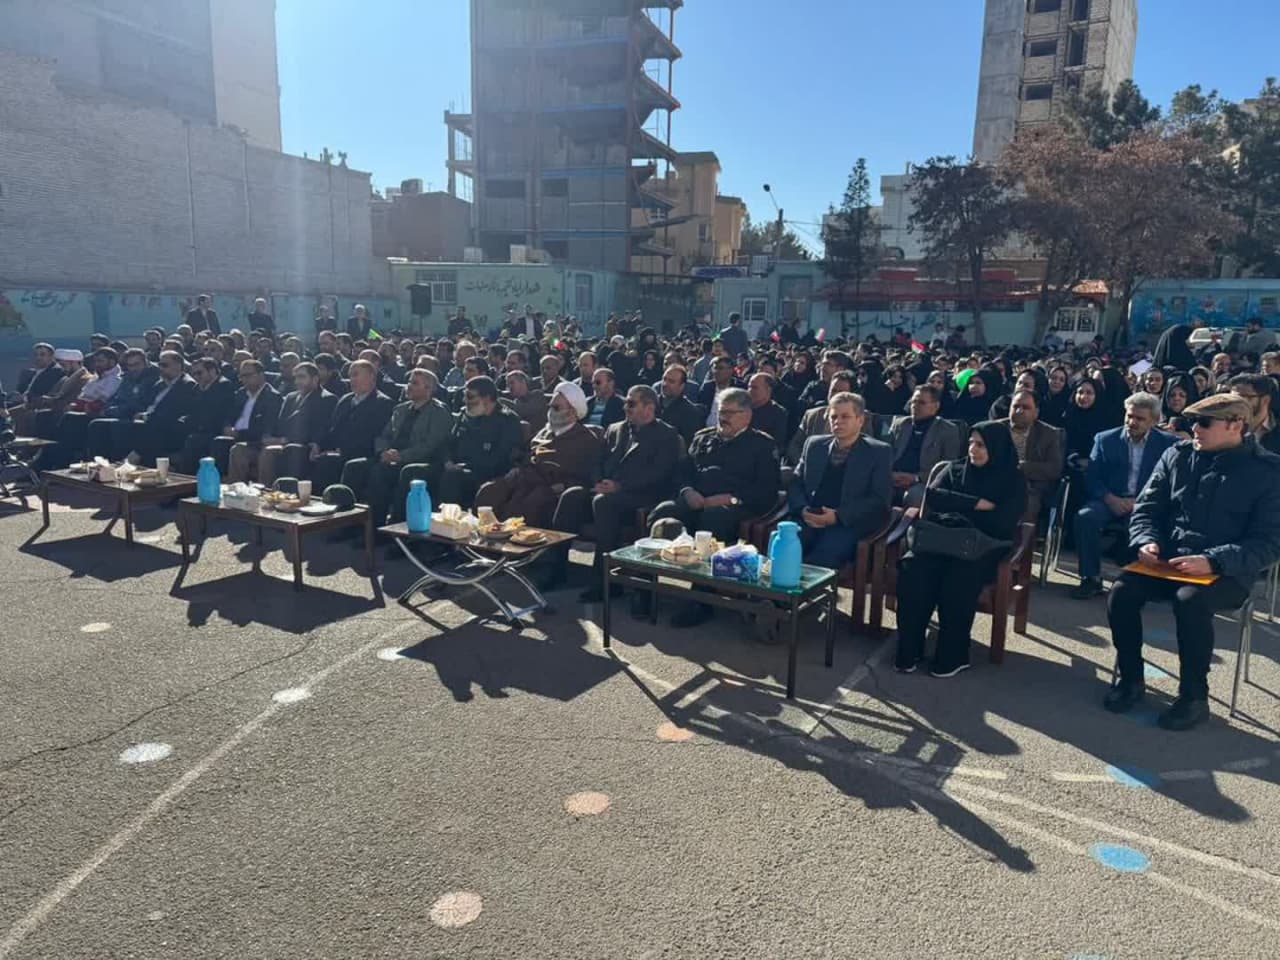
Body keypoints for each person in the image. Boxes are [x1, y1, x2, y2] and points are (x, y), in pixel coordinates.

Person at [1105, 393, 1280, 730]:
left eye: (1203, 423)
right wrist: (1146, 541)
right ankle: (1131, 679)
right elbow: (1147, 509)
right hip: (1169, 561)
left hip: (1226, 571)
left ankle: (1193, 697)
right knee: (1122, 591)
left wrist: (1214, 561)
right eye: (1190, 422)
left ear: (1235, 425)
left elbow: (1268, 542)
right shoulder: (1177, 455)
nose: (1193, 430)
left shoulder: (1267, 471)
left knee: (1191, 601)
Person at [895, 422, 1027, 676]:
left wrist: (957, 509)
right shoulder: (955, 469)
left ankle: (952, 655)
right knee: (914, 571)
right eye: (970, 443)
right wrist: (976, 503)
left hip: (985, 546)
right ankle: (909, 650)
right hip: (941, 542)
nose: (973, 450)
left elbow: (1003, 520)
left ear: (996, 448)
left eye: (980, 445)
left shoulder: (1012, 478)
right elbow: (934, 497)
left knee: (958, 579)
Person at [649, 388, 780, 627]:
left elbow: (766, 491)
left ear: (747, 415)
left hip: (733, 506)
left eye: (731, 412)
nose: (724, 417)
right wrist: (687, 491)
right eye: (721, 411)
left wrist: (729, 499)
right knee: (662, 513)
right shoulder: (703, 437)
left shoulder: (762, 444)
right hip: (696, 499)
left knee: (712, 521)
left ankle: (702, 600)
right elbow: (682, 471)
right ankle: (645, 587)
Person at [566, 385, 683, 603]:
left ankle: (605, 579)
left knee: (604, 503)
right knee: (572, 496)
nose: (625, 407)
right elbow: (596, 461)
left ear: (649, 408)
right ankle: (561, 569)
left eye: (631, 403)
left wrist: (619, 486)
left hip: (641, 495)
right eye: (626, 402)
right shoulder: (615, 428)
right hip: (607, 488)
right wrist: (598, 481)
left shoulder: (666, 434)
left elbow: (659, 473)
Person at [1071, 392, 1175, 599]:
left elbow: (1170, 483)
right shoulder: (1105, 439)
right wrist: (1110, 498)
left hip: (1146, 503)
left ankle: (1144, 583)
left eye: (1139, 418)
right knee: (1085, 517)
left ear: (1154, 421)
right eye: (1129, 416)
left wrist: (1141, 503)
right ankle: (1090, 578)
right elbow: (1092, 477)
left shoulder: (1168, 444)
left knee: (1157, 525)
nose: (1132, 422)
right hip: (1110, 499)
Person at [475, 382, 601, 529]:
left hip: (551, 487)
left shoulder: (586, 439)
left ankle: (520, 546)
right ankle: (483, 538)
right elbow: (525, 454)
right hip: (524, 478)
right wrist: (517, 467)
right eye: (550, 406)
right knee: (489, 492)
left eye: (556, 408)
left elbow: (586, 475)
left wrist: (565, 485)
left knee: (531, 502)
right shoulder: (544, 431)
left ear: (572, 411)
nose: (551, 411)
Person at [787, 392, 893, 569]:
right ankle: (775, 596)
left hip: (847, 523)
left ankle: (806, 596)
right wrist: (802, 509)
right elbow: (796, 482)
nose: (838, 421)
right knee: (784, 545)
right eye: (834, 416)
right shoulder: (814, 445)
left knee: (824, 555)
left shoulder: (879, 452)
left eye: (845, 417)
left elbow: (879, 500)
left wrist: (837, 516)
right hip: (810, 517)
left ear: (860, 420)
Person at [341, 368, 453, 527]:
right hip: (390, 457)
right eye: (409, 382)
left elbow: (430, 445)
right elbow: (384, 436)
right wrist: (383, 452)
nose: (408, 386)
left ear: (428, 389)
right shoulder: (401, 409)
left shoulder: (438, 412)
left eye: (414, 383)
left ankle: (377, 527)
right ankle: (347, 522)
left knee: (379, 473)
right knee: (353, 467)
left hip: (420, 461)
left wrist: (400, 456)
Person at [228, 361, 335, 486]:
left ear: (315, 379)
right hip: (280, 442)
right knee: (239, 449)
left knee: (268, 452)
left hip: (300, 446)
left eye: (302, 377)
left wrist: (285, 440)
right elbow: (280, 423)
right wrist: (270, 437)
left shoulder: (326, 398)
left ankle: (266, 493)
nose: (297, 381)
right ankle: (236, 491)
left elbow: (321, 429)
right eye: (296, 378)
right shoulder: (291, 397)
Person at [437, 375, 525, 507]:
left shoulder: (507, 420)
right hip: (457, 467)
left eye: (470, 397)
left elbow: (501, 457)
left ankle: (448, 521)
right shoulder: (466, 415)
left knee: (453, 477)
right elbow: (449, 442)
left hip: (487, 472)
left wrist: (465, 466)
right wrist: (448, 461)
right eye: (465, 396)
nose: (465, 401)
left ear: (487, 398)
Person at [310, 360, 396, 491]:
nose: (352, 380)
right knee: (311, 455)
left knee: (328, 462)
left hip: (361, 453)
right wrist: (318, 444)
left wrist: (341, 451)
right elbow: (331, 426)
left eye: (356, 375)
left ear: (371, 376)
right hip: (336, 450)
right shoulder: (346, 400)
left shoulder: (383, 403)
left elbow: (373, 436)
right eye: (350, 376)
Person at [888, 385, 964, 507]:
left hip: (924, 481)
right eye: (913, 401)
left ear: (936, 406)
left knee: (915, 496)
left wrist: (916, 478)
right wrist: (889, 474)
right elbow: (885, 453)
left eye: (922, 403)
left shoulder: (948, 430)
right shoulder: (900, 424)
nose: (914, 406)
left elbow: (948, 466)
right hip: (893, 476)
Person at [214, 360, 283, 476]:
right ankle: (218, 485)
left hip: (256, 443)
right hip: (237, 437)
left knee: (238, 450)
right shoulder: (240, 394)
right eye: (241, 376)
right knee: (218, 442)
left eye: (248, 375)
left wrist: (239, 433)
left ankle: (238, 488)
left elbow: (267, 429)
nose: (244, 379)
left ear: (261, 375)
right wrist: (227, 427)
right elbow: (229, 416)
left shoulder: (272, 397)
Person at [1006, 388, 1064, 520]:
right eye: (1015, 406)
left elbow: (1054, 469)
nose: (1019, 411)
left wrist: (1022, 467)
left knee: (1027, 502)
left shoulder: (1049, 434)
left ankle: (1024, 540)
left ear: (1036, 413)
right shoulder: (995, 429)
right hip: (997, 482)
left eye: (1025, 407)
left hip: (1031, 487)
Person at [1229, 373, 1280, 454]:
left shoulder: (1276, 428)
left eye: (1243, 397)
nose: (1236, 403)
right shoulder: (1221, 426)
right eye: (1232, 398)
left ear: (1265, 400)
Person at [656, 365, 704, 447]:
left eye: (671, 381)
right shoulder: (651, 403)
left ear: (682, 386)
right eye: (664, 379)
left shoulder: (690, 413)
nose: (665, 384)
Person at [746, 373, 789, 450]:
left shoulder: (778, 413)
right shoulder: (741, 408)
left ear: (768, 389)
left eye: (754, 388)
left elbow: (776, 443)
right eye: (749, 387)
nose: (750, 391)